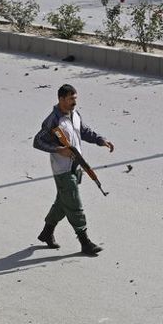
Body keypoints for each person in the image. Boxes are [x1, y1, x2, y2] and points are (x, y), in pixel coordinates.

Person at [33, 84, 114, 256]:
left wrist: (100, 140)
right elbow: (38, 141)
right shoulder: (53, 120)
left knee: (63, 202)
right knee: (74, 203)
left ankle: (47, 232)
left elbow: (83, 131)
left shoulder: (74, 114)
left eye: (75, 98)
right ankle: (85, 242)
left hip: (76, 166)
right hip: (62, 169)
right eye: (70, 99)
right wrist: (58, 150)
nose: (74, 102)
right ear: (61, 99)